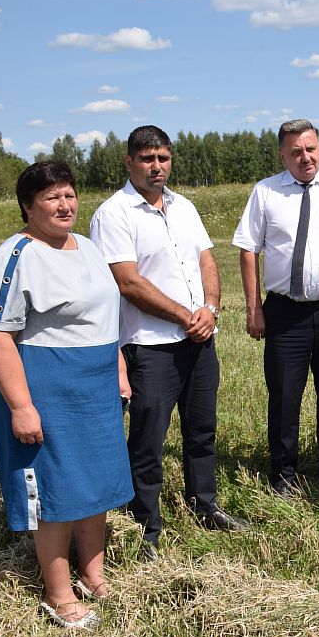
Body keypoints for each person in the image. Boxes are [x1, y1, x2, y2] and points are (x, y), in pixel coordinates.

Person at [0, 161, 132, 630]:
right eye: (51, 198)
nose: (64, 205)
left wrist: (120, 369)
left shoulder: (87, 247)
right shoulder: (16, 255)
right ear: (28, 206)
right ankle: (58, 592)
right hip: (49, 386)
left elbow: (107, 319)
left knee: (96, 484)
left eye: (69, 195)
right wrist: (22, 407)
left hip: (96, 382)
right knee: (58, 491)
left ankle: (93, 572)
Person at [89, 125, 247, 558]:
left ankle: (205, 504)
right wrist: (184, 316)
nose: (156, 166)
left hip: (199, 340)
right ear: (129, 162)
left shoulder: (184, 207)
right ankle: (145, 525)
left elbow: (206, 261)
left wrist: (210, 309)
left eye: (163, 158)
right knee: (148, 439)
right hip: (150, 346)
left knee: (201, 431)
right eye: (147, 159)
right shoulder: (114, 213)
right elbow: (128, 282)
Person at [233, 119, 319, 501]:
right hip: (285, 314)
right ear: (282, 155)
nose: (305, 158)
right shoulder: (266, 192)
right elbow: (247, 249)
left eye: (311, 149)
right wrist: (253, 308)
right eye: (295, 152)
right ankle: (284, 475)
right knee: (285, 398)